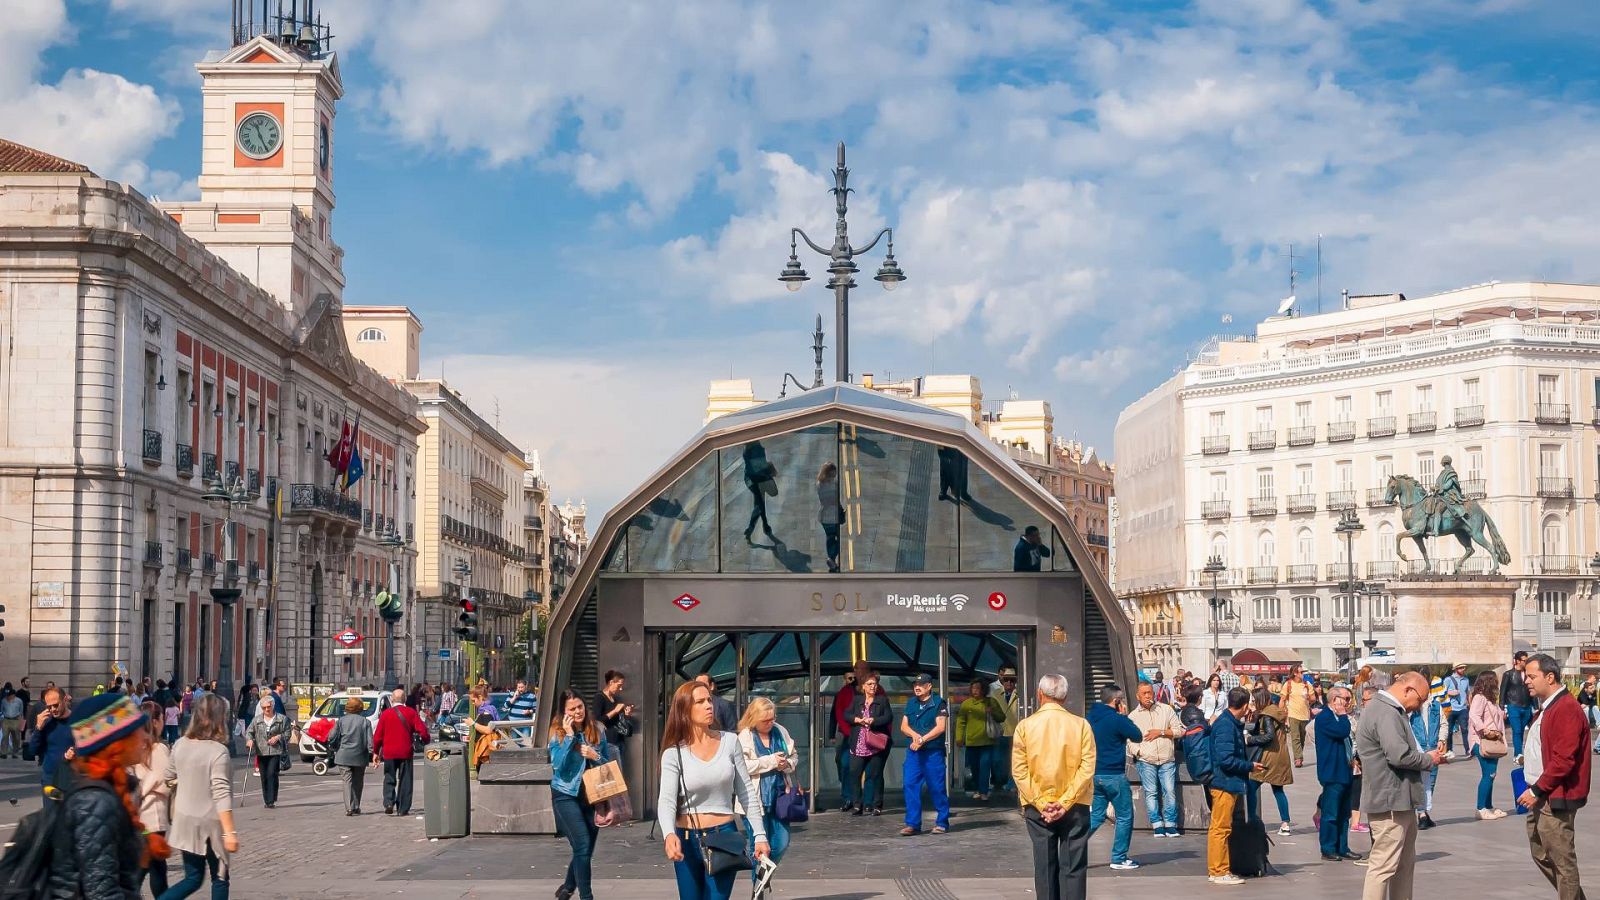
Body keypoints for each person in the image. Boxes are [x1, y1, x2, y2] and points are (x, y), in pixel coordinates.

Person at [42, 693, 161, 898]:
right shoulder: (96, 802)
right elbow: (102, 890)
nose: (145, 737)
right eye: (137, 730)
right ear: (115, 744)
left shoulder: (110, 790)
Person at [657, 680, 769, 900]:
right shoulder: (673, 753)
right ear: (684, 710)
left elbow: (746, 791)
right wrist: (669, 834)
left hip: (723, 838)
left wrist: (760, 835)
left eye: (709, 699)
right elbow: (667, 800)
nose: (709, 705)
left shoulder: (730, 741)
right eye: (700, 701)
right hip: (686, 838)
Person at [1355, 671, 1444, 900]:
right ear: (1408, 690)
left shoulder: (1388, 710)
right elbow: (1398, 755)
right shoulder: (1385, 712)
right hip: (1390, 801)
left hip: (1400, 800)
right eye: (1421, 699)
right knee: (1383, 866)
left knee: (1403, 865)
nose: (1420, 705)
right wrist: (1428, 760)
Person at [1012, 673, 1096, 900]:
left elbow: (1020, 771)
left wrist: (1041, 803)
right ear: (1065, 696)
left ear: (1040, 694)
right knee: (1074, 867)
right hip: (1075, 805)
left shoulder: (1025, 727)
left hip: (1037, 806)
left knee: (1045, 866)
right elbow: (1087, 768)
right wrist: (1065, 802)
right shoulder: (1081, 725)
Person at [1517, 653, 1591, 900]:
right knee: (1540, 852)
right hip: (1541, 793)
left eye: (1531, 676)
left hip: (1555, 795)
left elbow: (1564, 760)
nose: (1526, 680)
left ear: (1550, 677)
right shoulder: (1547, 707)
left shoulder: (1566, 708)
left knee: (1562, 861)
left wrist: (1537, 790)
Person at [162, 693, 239, 899]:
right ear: (220, 718)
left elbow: (168, 776)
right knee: (220, 878)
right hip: (211, 822)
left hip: (185, 820)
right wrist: (230, 833)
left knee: (193, 878)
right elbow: (221, 794)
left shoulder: (180, 744)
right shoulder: (218, 751)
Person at [549, 690, 609, 900]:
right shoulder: (558, 733)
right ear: (564, 712)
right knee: (582, 844)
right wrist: (570, 737)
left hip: (592, 796)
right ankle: (587, 896)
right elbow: (556, 764)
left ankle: (567, 888)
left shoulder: (597, 729)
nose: (577, 712)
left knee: (585, 850)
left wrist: (596, 755)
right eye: (572, 709)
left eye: (580, 706)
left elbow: (608, 765)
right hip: (565, 794)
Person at [737, 696, 797, 892]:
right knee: (759, 846)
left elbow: (794, 755)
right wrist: (771, 761)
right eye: (766, 720)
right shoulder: (745, 736)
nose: (770, 723)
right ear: (754, 718)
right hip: (754, 799)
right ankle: (759, 887)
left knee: (781, 842)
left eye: (772, 718)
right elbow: (743, 766)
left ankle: (764, 876)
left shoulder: (780, 731)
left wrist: (787, 764)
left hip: (780, 796)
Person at [1085, 685, 1142, 870]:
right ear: (1117, 701)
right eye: (1121, 700)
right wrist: (1124, 716)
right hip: (1114, 774)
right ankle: (1119, 857)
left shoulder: (1090, 717)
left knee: (1096, 815)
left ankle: (1072, 848)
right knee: (1125, 815)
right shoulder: (1117, 719)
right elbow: (1137, 736)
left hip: (1095, 773)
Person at [1207, 687, 1260, 886]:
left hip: (1227, 781)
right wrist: (1249, 766)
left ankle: (1219, 869)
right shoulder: (1226, 726)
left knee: (1220, 827)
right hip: (1224, 782)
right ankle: (1219, 870)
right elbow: (1226, 759)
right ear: (1245, 705)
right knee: (1221, 828)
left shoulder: (1229, 722)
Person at [1314, 686, 1363, 862]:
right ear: (1335, 700)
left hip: (1345, 770)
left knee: (1344, 813)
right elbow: (1341, 731)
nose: (1348, 703)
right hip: (1332, 772)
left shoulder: (1340, 718)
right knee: (1331, 813)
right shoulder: (1325, 718)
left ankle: (1342, 847)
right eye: (1346, 699)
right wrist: (1343, 715)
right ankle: (1328, 848)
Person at [1128, 681, 1182, 838]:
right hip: (1146, 760)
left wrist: (1161, 732)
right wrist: (1139, 752)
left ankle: (1171, 824)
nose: (1147, 696)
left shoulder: (1166, 710)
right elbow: (1130, 740)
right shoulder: (1133, 716)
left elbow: (1179, 731)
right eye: (1144, 693)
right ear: (1138, 696)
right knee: (1151, 792)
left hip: (1166, 758)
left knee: (1169, 791)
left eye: (1149, 692)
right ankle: (1157, 824)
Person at [899, 673, 951, 836]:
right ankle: (912, 823)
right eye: (915, 684)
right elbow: (904, 726)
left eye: (921, 684)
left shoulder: (938, 703)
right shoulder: (911, 703)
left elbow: (940, 727)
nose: (917, 687)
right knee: (910, 784)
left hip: (932, 752)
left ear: (929, 686)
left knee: (936, 787)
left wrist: (922, 739)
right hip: (914, 753)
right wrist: (915, 736)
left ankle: (942, 822)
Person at [135, 699, 174, 895]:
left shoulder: (134, 746)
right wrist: (151, 788)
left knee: (152, 866)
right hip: (153, 817)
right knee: (150, 868)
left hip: (139, 816)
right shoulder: (159, 749)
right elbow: (165, 781)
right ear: (157, 721)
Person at [372, 687, 429, 816]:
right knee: (405, 780)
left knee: (389, 777)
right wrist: (426, 741)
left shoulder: (386, 714)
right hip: (405, 751)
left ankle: (388, 802)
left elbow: (378, 736)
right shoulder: (410, 713)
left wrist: (376, 752)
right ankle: (403, 808)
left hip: (389, 752)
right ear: (404, 699)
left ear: (392, 699)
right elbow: (423, 730)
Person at [845, 671, 892, 816]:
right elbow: (846, 714)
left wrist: (874, 721)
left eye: (875, 684)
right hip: (858, 744)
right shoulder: (856, 700)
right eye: (870, 684)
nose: (873, 686)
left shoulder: (882, 700)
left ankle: (877, 804)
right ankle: (857, 805)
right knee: (854, 773)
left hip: (875, 745)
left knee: (875, 774)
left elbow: (888, 717)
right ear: (863, 687)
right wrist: (857, 720)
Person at [1467, 670, 1509, 819]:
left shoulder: (1490, 699)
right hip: (1482, 740)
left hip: (1493, 741)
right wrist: (1484, 729)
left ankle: (1488, 806)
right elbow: (1473, 715)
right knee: (1489, 774)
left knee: (1491, 774)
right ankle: (1481, 807)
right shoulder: (1479, 697)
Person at [954, 680, 1004, 801]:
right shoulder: (966, 704)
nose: (975, 691)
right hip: (971, 741)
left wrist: (992, 712)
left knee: (985, 767)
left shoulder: (991, 702)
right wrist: (959, 738)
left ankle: (983, 791)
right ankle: (977, 789)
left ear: (984, 690)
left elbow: (1002, 717)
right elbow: (961, 722)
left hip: (987, 741)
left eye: (978, 688)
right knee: (974, 767)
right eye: (973, 688)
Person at [1409, 668, 1445, 830]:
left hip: (1433, 747)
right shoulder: (1412, 708)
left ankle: (1424, 812)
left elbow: (1444, 723)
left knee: (1431, 781)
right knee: (1420, 781)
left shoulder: (1436, 705)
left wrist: (1442, 739)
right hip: (1419, 749)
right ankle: (1421, 813)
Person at [327, 696, 375, 815]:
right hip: (360, 755)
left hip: (343, 754)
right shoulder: (365, 722)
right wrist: (372, 753)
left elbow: (331, 736)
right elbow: (370, 742)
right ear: (360, 708)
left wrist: (334, 746)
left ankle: (349, 807)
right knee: (358, 782)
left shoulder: (341, 721)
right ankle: (356, 806)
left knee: (346, 781)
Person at [244, 693, 289, 809]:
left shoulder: (281, 719)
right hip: (261, 750)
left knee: (272, 773)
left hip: (276, 751)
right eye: (264, 708)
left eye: (268, 707)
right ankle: (267, 800)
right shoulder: (257, 720)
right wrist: (249, 740)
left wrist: (278, 737)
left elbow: (287, 734)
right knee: (264, 776)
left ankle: (271, 799)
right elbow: (249, 732)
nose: (267, 709)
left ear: (272, 705)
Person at [32, 685, 73, 787]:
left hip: (73, 779)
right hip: (50, 780)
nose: (53, 709)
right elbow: (33, 751)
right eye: (49, 707)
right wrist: (38, 728)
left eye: (56, 705)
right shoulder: (46, 722)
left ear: (65, 700)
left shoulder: (78, 720)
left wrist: (76, 752)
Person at [990, 666, 1021, 794]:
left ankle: (1012, 784)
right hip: (1000, 732)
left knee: (1014, 760)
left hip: (1016, 733)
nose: (1009, 683)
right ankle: (998, 782)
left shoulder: (1021, 694)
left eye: (1012, 680)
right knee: (998, 760)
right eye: (1006, 680)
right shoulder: (995, 694)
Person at [594, 670, 635, 766]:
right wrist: (615, 711)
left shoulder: (615, 699)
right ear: (611, 682)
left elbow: (617, 720)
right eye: (619, 685)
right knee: (615, 773)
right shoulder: (599, 697)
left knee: (618, 771)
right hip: (608, 741)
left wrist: (626, 714)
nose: (620, 689)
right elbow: (597, 720)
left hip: (619, 741)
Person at [1503, 650, 1535, 762]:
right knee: (1517, 730)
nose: (1526, 662)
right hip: (1513, 706)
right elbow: (1503, 691)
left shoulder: (1528, 674)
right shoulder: (1508, 674)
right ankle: (1518, 754)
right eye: (1524, 660)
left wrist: (1535, 707)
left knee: (1523, 730)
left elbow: (1532, 691)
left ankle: (1521, 753)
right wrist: (1502, 708)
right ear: (1517, 661)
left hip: (1526, 706)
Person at [1283, 665, 1313, 767]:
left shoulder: (1307, 684)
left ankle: (1299, 755)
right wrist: (1280, 713)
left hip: (1304, 715)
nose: (1303, 674)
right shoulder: (1288, 684)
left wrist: (1308, 696)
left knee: (1302, 738)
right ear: (1295, 673)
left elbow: (1313, 698)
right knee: (1295, 737)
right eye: (1301, 672)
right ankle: (1298, 759)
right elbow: (1282, 700)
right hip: (1293, 714)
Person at [817, 462, 843, 573]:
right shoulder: (830, 485)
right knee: (836, 539)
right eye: (833, 474)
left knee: (830, 538)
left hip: (825, 515)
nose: (834, 476)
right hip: (831, 515)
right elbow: (832, 500)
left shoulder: (819, 483)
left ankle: (832, 561)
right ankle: (831, 559)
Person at [1443, 663, 1473, 754]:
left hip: (1462, 708)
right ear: (1456, 669)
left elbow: (1468, 694)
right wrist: (1450, 693)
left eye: (1464, 667)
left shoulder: (1466, 680)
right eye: (1460, 668)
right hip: (1451, 708)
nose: (1463, 669)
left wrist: (1471, 707)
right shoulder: (1448, 680)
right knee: (1449, 731)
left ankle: (1468, 750)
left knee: (1464, 729)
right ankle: (1449, 750)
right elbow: (1442, 692)